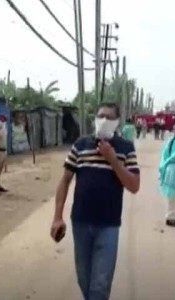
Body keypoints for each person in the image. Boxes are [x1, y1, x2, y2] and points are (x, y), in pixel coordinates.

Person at [50, 102, 140, 300]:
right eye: (100, 116)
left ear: (117, 122)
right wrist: (57, 217)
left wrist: (113, 159)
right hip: (80, 222)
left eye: (109, 117)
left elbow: (134, 185)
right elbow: (65, 180)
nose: (103, 121)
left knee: (100, 286)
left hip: (108, 226)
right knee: (84, 279)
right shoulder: (81, 145)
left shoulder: (126, 148)